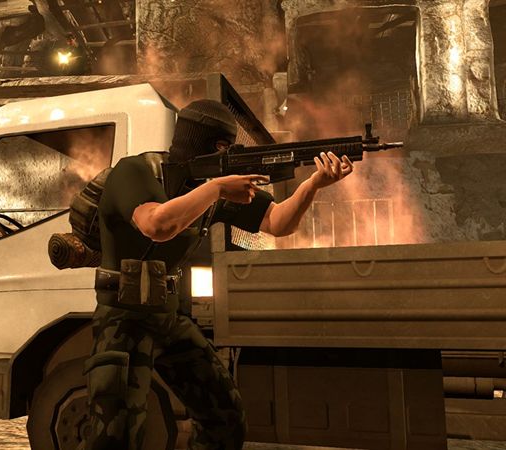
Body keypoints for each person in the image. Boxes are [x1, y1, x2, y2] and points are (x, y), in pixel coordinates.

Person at [84, 99, 354, 450]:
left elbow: (278, 222)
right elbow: (157, 225)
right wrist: (217, 188)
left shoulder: (210, 188)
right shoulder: (135, 171)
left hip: (167, 317)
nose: (225, 155)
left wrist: (313, 184)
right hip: (122, 319)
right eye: (220, 147)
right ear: (196, 143)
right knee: (114, 437)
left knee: (225, 420)